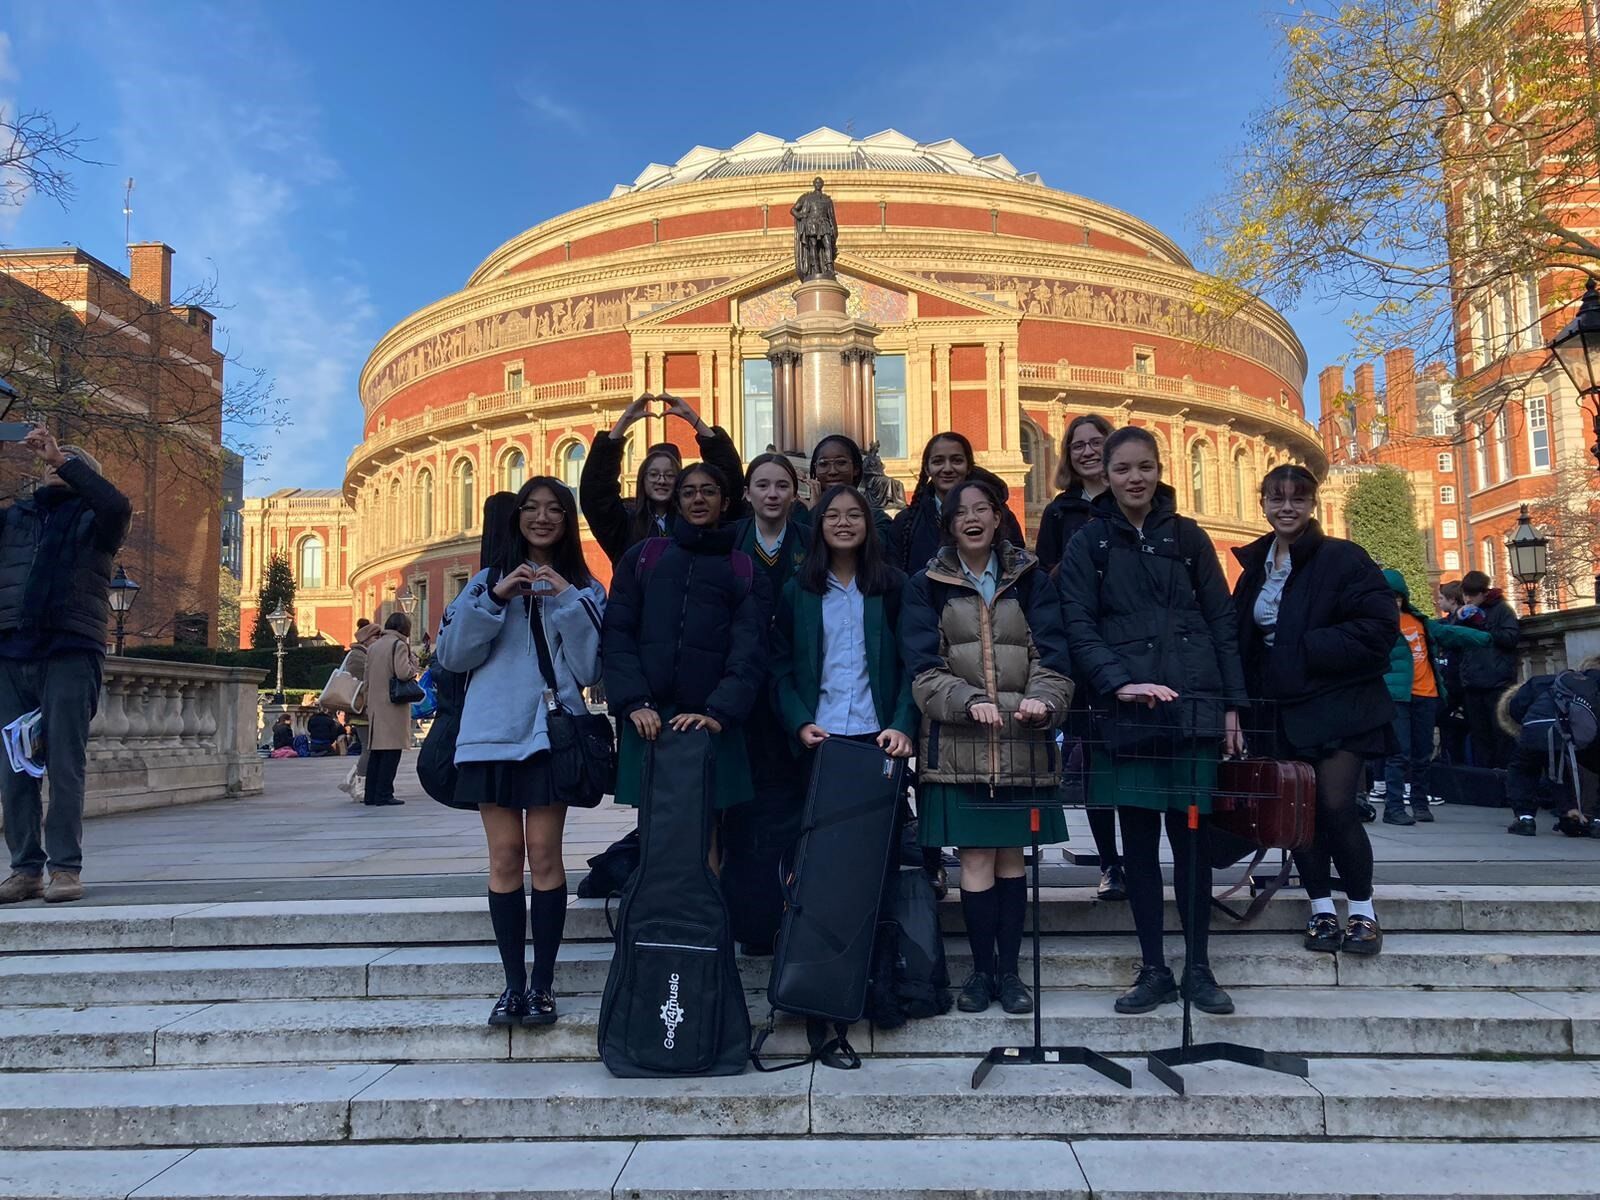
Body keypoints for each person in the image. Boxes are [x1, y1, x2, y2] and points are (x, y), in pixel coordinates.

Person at [1060, 427, 1245, 1015]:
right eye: (1122, 469)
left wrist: (1233, 705)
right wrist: (1118, 681)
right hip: (1126, 713)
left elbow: (1222, 622)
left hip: (1192, 709)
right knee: (1138, 848)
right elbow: (1077, 623)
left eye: (1144, 467)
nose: (1134, 478)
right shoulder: (1088, 543)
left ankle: (1199, 968)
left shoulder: (1190, 538)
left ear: (1160, 470)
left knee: (1191, 844)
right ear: (1106, 474)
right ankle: (1154, 968)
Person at [435, 476, 606, 1026]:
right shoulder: (484, 583)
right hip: (491, 734)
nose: (542, 517)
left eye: (555, 509)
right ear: (517, 518)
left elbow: (590, 669)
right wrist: (497, 597)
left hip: (550, 735)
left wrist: (567, 600)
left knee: (546, 855)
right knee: (506, 856)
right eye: (531, 507)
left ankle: (543, 986)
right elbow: (452, 656)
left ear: (567, 520)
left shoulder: (584, 587)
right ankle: (512, 985)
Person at [902, 477, 1073, 1016]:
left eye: (983, 509)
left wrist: (1044, 700)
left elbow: (1054, 658)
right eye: (961, 512)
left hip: (1022, 741)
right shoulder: (926, 584)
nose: (973, 519)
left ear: (999, 518)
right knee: (975, 857)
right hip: (959, 747)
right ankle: (980, 974)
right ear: (948, 525)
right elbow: (922, 670)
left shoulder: (1031, 579)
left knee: (1011, 859)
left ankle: (1010, 973)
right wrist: (968, 699)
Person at [1232, 465, 1397, 956]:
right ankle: (1321, 908)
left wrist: (1300, 648)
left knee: (1335, 805)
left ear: (1313, 504)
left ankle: (1363, 911)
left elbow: (1378, 627)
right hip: (1280, 708)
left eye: (1298, 499)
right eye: (1277, 498)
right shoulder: (1255, 566)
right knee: (1299, 812)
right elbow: (1240, 641)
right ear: (1262, 503)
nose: (1287, 507)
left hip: (1339, 706)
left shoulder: (1343, 558)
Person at [0, 428, 131, 906]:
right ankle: (25, 870)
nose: (56, 461)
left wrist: (63, 459)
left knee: (64, 763)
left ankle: (64, 869)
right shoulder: (16, 518)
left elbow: (116, 504)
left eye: (70, 460)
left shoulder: (97, 522)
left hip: (71, 650)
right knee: (13, 767)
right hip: (13, 650)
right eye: (52, 460)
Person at [602, 462, 766, 822]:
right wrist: (634, 702)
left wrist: (720, 711)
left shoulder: (742, 567)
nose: (698, 499)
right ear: (677, 501)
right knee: (655, 828)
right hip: (651, 716)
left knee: (710, 830)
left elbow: (749, 650)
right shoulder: (644, 557)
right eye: (688, 492)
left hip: (711, 717)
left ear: (725, 502)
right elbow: (617, 635)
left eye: (708, 491)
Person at [720, 454, 810, 951]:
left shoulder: (811, 543)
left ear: (795, 493)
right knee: (744, 806)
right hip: (744, 695)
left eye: (781, 485)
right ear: (747, 493)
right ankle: (749, 917)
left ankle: (795, 910)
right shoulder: (729, 542)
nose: (772, 494)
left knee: (794, 800)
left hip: (797, 689)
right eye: (762, 485)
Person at [1033, 413, 1125, 901]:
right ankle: (1110, 863)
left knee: (1134, 753)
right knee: (1092, 759)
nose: (1087, 451)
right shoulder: (1059, 511)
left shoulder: (1134, 500)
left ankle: (1138, 857)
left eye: (1096, 442)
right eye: (1078, 445)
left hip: (1130, 643)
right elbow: (1044, 578)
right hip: (1080, 644)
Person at [1378, 569, 1491, 825]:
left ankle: (1420, 804)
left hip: (1426, 694)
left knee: (1423, 753)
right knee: (1399, 754)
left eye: (1398, 597)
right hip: (1397, 695)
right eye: (1389, 597)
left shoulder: (1419, 621)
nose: (1394, 602)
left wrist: (1486, 638)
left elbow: (1450, 634)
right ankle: (1394, 808)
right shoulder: (1378, 626)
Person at [579, 392, 745, 565]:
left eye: (670, 475)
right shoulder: (625, 524)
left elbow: (729, 480)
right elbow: (596, 493)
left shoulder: (695, 520)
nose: (661, 480)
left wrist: (692, 418)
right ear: (642, 479)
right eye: (653, 474)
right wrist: (625, 421)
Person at [887, 431, 1024, 575]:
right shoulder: (905, 522)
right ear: (927, 469)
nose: (947, 469)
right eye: (938, 461)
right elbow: (896, 575)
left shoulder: (1001, 516)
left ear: (968, 466)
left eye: (957, 461)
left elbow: (1018, 569)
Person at [1457, 570, 1521, 768]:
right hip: (1472, 683)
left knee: (1502, 735)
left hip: (1497, 683)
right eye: (1465, 595)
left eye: (1472, 595)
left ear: (1484, 593)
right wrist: (1457, 619)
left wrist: (1483, 624)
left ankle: (1503, 776)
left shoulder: (1502, 609)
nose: (1468, 599)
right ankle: (1485, 778)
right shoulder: (1465, 612)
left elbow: (1510, 638)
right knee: (1480, 737)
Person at [798, 435, 894, 546]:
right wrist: (815, 512)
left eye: (841, 463)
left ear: (856, 469)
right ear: (815, 469)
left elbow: (875, 550)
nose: (832, 471)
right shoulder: (799, 513)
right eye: (823, 464)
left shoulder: (877, 518)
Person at [363, 612, 417, 807]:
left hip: (375, 704)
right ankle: (384, 793)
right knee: (391, 752)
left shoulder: (373, 646)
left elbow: (366, 678)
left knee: (377, 752)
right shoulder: (399, 645)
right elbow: (403, 673)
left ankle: (370, 794)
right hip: (393, 705)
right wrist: (414, 665)